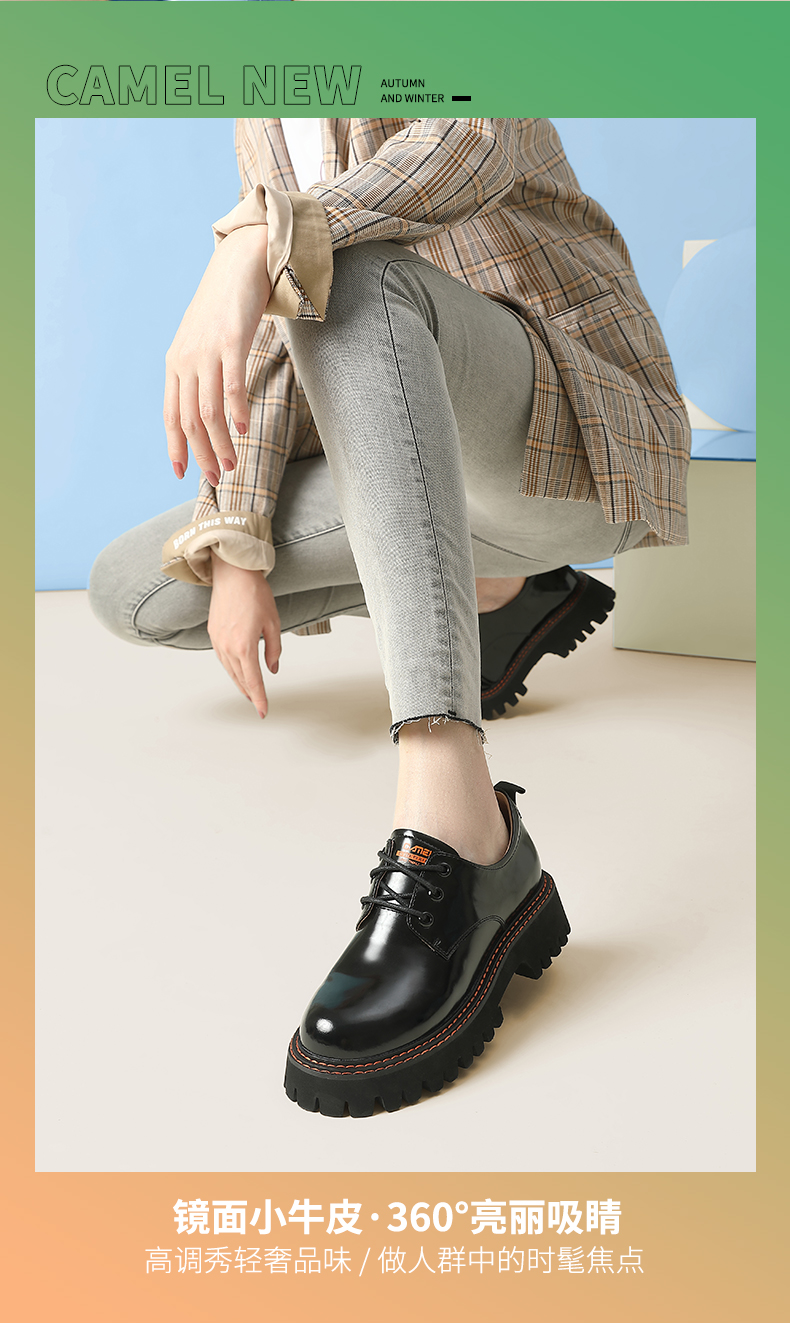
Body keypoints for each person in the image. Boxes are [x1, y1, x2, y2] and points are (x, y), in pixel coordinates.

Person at [90, 117, 690, 1118]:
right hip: (416, 452)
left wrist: (259, 238)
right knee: (137, 589)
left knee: (348, 271)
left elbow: (474, 144)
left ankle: (458, 822)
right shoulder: (262, 104)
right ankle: (496, 595)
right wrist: (238, 535)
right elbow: (281, 326)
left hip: (569, 433)